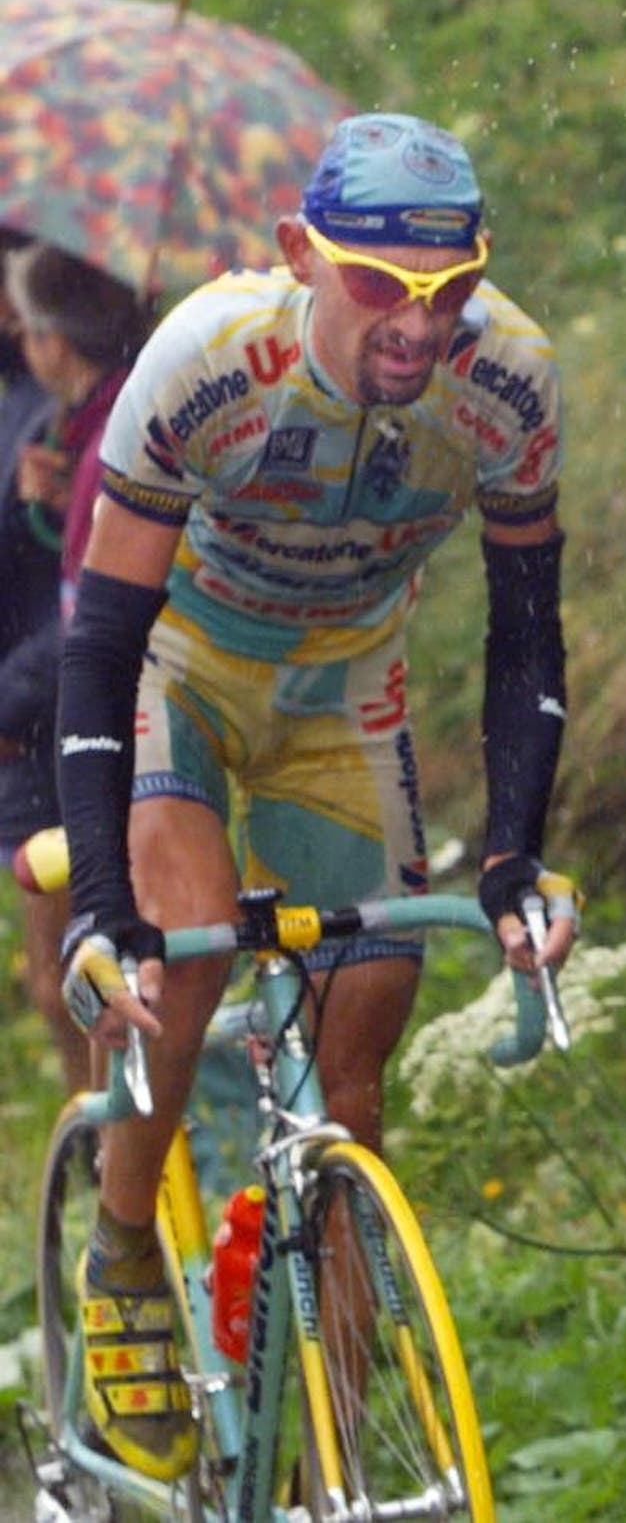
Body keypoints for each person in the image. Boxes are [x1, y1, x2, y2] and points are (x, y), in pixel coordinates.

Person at [53, 112, 578, 1482]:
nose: (416, 324)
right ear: (302, 255)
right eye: (377, 285)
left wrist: (516, 852)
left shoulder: (506, 381)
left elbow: (529, 634)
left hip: (351, 693)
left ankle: (332, 1455)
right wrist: (100, 900)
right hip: (190, 668)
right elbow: (101, 638)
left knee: (358, 1075)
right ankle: (121, 1255)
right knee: (181, 943)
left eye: (448, 288)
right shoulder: (210, 358)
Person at [1, 240, 151, 1095]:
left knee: (84, 982)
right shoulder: (89, 427)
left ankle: (134, 1175)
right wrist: (43, 508)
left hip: (83, 725)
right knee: (75, 978)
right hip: (65, 712)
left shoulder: (116, 433)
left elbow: (94, 618)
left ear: (56, 341)